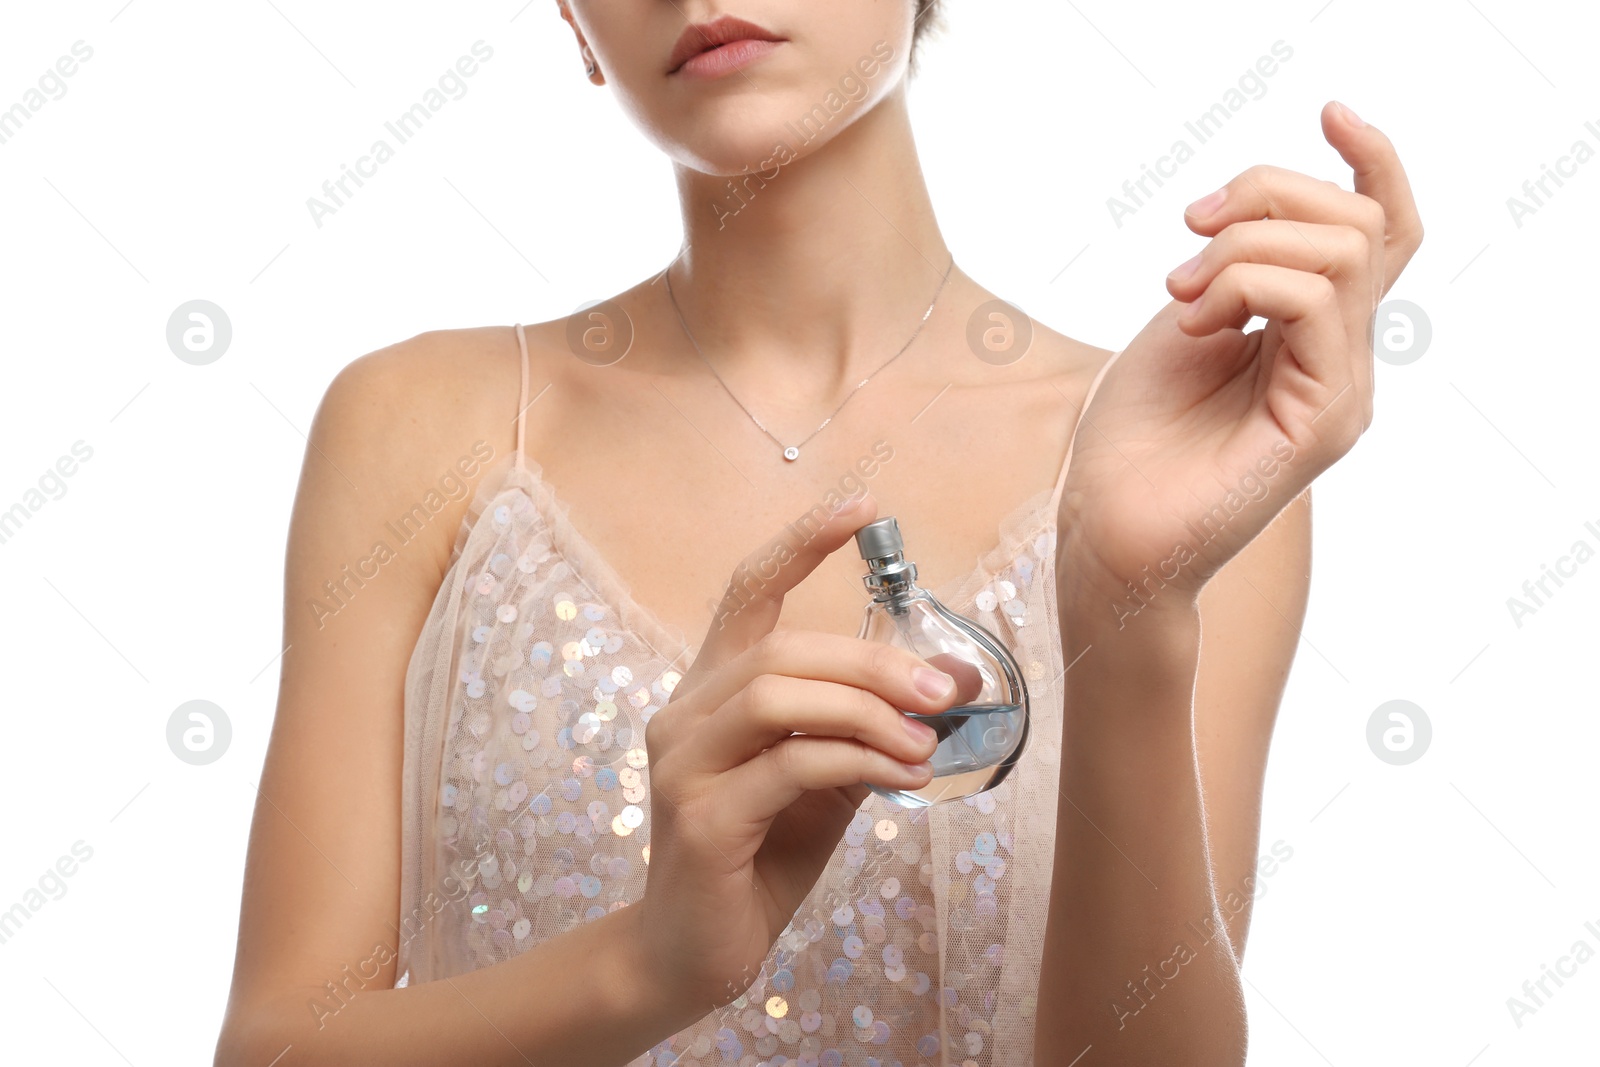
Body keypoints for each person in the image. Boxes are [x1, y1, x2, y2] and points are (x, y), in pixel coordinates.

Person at [213, 2, 1423, 1064]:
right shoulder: (425, 427)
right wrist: (652, 965)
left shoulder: (1182, 457)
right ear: (573, 24)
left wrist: (1123, 605)